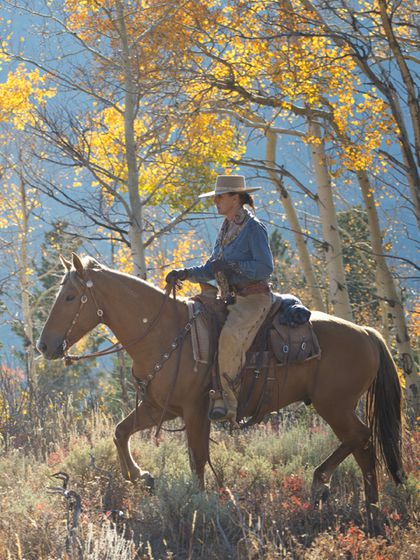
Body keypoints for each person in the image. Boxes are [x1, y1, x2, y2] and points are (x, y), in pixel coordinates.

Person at [166, 175, 274, 424]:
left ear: (236, 198)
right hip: (231, 298)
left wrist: (232, 265)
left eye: (220, 196)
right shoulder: (226, 227)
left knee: (228, 338)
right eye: (216, 196)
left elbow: (265, 268)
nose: (216, 201)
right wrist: (184, 273)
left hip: (253, 298)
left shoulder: (253, 228)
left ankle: (229, 405)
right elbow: (212, 267)